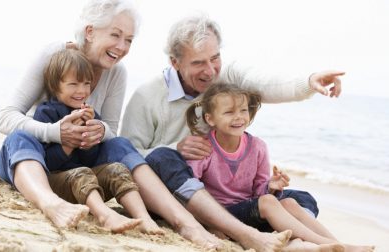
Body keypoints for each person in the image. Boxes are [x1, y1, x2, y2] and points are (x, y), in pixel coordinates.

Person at [0, 0, 227, 249]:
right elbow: (6, 117)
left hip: (80, 171)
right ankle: (51, 203)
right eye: (116, 35)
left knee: (120, 144)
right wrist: (56, 132)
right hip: (33, 168)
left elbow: (111, 130)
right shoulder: (54, 56)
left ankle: (184, 222)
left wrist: (101, 130)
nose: (122, 47)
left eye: (129, 40)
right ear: (90, 31)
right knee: (19, 137)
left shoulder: (117, 72)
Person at [120, 14, 345, 251]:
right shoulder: (147, 96)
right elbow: (127, 157)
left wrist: (309, 82)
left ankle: (297, 240)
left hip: (228, 200)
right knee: (163, 156)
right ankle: (243, 231)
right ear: (175, 62)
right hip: (179, 194)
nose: (210, 71)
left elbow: (265, 84)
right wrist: (176, 148)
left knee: (300, 199)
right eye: (198, 63)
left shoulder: (226, 78)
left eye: (215, 58)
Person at [185, 83, 374, 252]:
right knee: (268, 201)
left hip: (250, 212)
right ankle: (322, 242)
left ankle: (335, 243)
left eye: (243, 110)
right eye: (229, 112)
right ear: (210, 119)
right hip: (221, 214)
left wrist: (271, 187)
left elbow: (259, 193)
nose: (239, 117)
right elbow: (191, 192)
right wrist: (209, 224)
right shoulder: (203, 148)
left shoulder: (257, 146)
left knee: (289, 203)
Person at [28, 48, 166, 233]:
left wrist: (91, 138)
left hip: (88, 187)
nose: (82, 90)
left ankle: (144, 218)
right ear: (55, 86)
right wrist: (69, 143)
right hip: (57, 183)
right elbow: (46, 163)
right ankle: (104, 215)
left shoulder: (89, 114)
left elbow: (91, 159)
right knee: (82, 172)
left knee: (117, 169)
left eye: (86, 83)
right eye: (73, 84)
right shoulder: (46, 113)